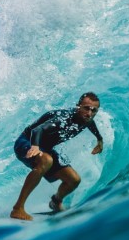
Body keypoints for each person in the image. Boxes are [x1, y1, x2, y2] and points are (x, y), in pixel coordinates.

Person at [10, 92, 104, 221]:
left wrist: (99, 139)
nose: (89, 113)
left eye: (94, 110)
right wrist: (35, 146)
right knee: (46, 160)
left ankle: (56, 202)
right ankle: (18, 208)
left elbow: (90, 124)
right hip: (27, 141)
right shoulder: (64, 118)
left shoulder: (87, 118)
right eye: (86, 108)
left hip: (46, 148)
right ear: (78, 106)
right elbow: (37, 130)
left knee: (73, 179)